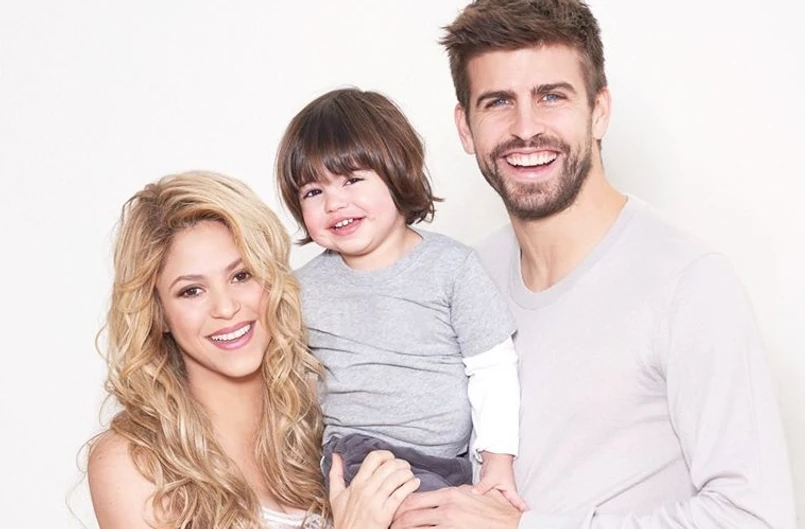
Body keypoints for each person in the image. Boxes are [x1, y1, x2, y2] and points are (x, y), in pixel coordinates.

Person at [392, 1, 797, 528]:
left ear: (599, 111)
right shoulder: (463, 277)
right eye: (498, 102)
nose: (525, 128)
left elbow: (756, 518)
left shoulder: (689, 283)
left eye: (551, 96)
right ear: (465, 128)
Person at [86, 170, 420, 529]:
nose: (226, 307)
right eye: (191, 291)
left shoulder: (330, 418)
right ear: (159, 313)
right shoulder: (132, 463)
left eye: (241, 275)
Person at [275, 88, 526, 509]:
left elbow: (492, 367)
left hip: (447, 464)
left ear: (397, 173)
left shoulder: (452, 267)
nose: (334, 203)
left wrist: (497, 463)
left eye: (352, 180)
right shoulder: (302, 289)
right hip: (359, 457)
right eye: (313, 192)